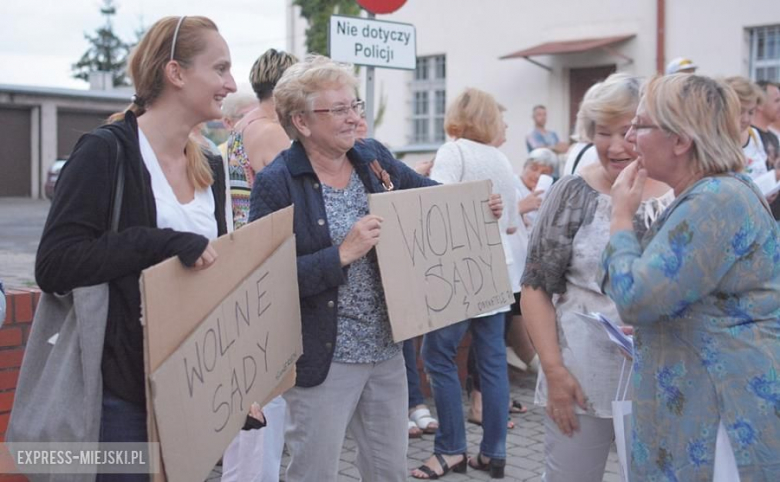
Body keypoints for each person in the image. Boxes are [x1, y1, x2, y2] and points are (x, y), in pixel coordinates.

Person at [248, 55, 504, 482]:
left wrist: (476, 206)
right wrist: (341, 255)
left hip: (386, 350)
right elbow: (264, 279)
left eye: (356, 106)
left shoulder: (370, 157)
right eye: (340, 110)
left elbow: (426, 196)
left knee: (387, 470)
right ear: (303, 122)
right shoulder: (279, 182)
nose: (354, 119)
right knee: (315, 471)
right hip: (325, 359)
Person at [34, 15, 235, 481]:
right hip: (118, 399)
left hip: (189, 388)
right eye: (220, 68)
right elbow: (55, 265)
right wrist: (160, 242)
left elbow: (217, 275)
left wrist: (233, 378)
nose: (231, 83)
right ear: (176, 72)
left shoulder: (209, 165)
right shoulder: (105, 152)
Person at [601, 73, 780, 480]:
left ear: (680, 141)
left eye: (641, 124)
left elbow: (635, 296)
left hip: (719, 412)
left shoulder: (716, 199)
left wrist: (620, 216)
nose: (629, 135)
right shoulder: (707, 194)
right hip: (704, 398)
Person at [520, 73, 672, 482]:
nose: (616, 145)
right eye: (603, 132)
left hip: (661, 382)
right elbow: (534, 287)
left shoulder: (680, 193)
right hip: (577, 380)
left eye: (627, 131)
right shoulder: (571, 193)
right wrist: (553, 371)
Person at [414, 87, 517, 480]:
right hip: (496, 268)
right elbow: (508, 222)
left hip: (461, 270)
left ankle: (451, 449)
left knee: (438, 357)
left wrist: (419, 176)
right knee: (492, 364)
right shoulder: (501, 159)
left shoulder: (454, 151)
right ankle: (494, 452)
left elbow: (435, 204)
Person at [228, 48, 297, 229]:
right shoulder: (272, 131)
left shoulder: (242, 125)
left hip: (244, 233)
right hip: (263, 236)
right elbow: (293, 193)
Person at [725, 76, 768, 179]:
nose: (746, 119)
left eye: (751, 112)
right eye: (740, 111)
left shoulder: (754, 135)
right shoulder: (713, 140)